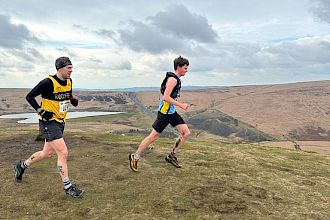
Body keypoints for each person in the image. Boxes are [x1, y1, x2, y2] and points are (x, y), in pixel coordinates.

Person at [14, 57, 83, 198]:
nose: (71, 70)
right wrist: (40, 111)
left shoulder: (69, 81)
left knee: (46, 153)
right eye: (69, 68)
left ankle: (22, 166)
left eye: (72, 67)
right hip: (48, 122)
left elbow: (67, 95)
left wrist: (72, 99)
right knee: (63, 153)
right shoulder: (48, 82)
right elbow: (30, 96)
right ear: (60, 68)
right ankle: (68, 187)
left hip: (60, 122)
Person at [129, 56, 191, 171]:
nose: (187, 70)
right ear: (179, 67)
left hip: (171, 111)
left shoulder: (174, 78)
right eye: (185, 68)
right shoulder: (173, 79)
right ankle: (135, 156)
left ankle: (172, 155)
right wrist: (181, 105)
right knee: (153, 136)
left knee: (186, 132)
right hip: (165, 113)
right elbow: (166, 97)